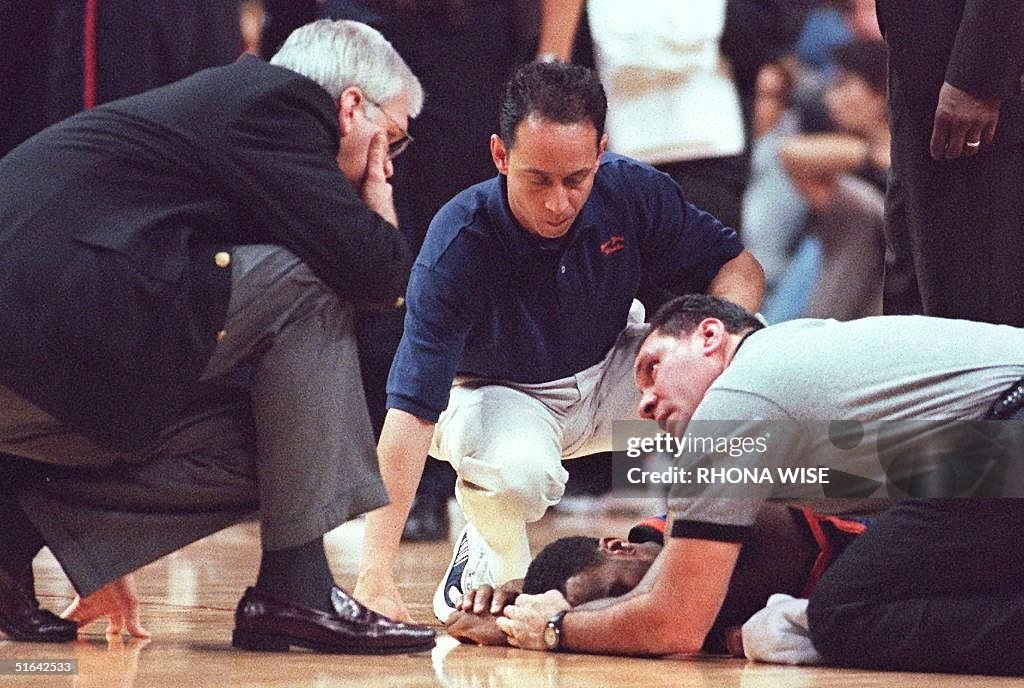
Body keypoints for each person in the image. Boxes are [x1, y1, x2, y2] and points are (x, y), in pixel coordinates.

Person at [0, 19, 435, 653]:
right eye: (389, 141)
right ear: (348, 108)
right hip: (32, 341)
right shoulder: (278, 106)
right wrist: (375, 198)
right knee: (309, 283)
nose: (387, 164)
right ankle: (298, 588)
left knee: (283, 443)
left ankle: (12, 534)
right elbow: (371, 273)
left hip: (47, 347)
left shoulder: (229, 116)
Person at [354, 61, 765, 624]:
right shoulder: (458, 242)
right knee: (521, 477)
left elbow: (737, 265)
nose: (558, 202)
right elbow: (408, 415)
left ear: (601, 151)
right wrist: (373, 578)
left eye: (576, 179)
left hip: (614, 370)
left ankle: (876, 511)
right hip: (498, 398)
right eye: (537, 179)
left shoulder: (632, 190)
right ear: (500, 156)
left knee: (750, 386)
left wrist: (721, 365)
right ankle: (487, 545)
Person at [499, 294, 1024, 676]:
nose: (644, 404)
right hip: (989, 457)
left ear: (710, 337)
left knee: (842, 614)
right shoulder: (785, 362)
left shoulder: (738, 401)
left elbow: (674, 622)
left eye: (652, 367)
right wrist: (520, 600)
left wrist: (552, 631)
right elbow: (665, 570)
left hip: (1001, 445)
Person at [447, 502, 866, 662]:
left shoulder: (702, 516)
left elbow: (660, 624)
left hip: (914, 554)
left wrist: (555, 629)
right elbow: (464, 626)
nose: (621, 610)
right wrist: (509, 606)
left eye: (614, 594)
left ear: (618, 546)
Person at [874, 1, 1024, 323]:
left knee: (979, 315)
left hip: (978, 79)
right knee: (917, 303)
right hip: (918, 64)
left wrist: (978, 75)